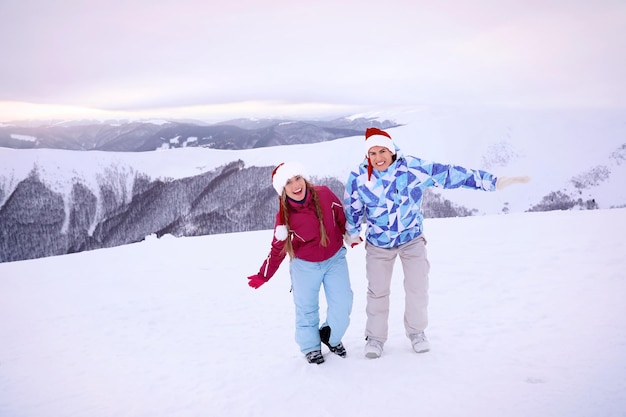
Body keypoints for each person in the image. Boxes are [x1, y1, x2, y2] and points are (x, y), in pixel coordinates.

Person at [343, 127, 530, 359]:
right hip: (379, 244)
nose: (379, 157)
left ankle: (417, 332)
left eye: (383, 151)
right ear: (367, 156)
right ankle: (375, 338)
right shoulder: (359, 178)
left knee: (417, 287)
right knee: (377, 291)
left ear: (392, 151)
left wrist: (493, 182)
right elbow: (352, 208)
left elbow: (449, 175)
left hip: (412, 240)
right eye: (373, 153)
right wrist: (351, 233)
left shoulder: (412, 168)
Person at [247, 162, 354, 365]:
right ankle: (311, 347)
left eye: (297, 178)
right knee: (306, 309)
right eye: (288, 182)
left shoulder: (325, 194)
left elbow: (341, 218)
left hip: (334, 259)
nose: (295, 185)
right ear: (283, 189)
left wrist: (351, 235)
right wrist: (264, 275)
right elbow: (277, 249)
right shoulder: (284, 216)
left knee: (343, 302)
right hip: (304, 266)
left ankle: (331, 337)